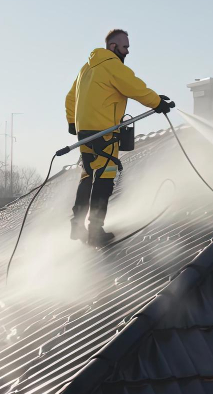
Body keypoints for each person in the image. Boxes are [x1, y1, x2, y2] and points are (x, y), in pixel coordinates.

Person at [65, 29, 174, 246]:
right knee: (105, 179)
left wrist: (71, 122)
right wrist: (157, 103)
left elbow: (70, 98)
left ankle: (77, 225)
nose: (127, 52)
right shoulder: (112, 66)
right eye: (125, 47)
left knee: (87, 174)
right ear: (113, 47)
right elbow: (135, 87)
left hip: (85, 133)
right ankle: (95, 231)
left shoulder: (86, 68)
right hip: (104, 132)